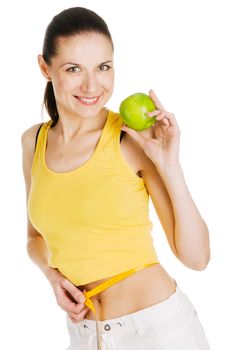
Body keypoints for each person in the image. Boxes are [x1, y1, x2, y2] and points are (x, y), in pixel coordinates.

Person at [21, 6, 211, 350]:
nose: (93, 85)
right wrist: (54, 278)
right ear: (45, 67)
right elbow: (35, 238)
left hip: (158, 330)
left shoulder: (129, 139)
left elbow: (196, 258)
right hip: (85, 336)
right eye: (74, 69)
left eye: (104, 67)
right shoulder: (33, 142)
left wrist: (171, 167)